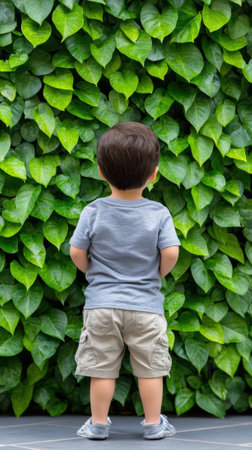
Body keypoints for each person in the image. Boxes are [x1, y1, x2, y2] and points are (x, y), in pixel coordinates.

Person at [69, 121, 181, 440]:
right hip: (146, 306)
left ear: (101, 172)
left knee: (101, 368)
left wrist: (92, 271)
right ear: (154, 174)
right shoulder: (158, 213)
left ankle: (99, 423)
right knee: (150, 368)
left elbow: (77, 251)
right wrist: (155, 274)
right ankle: (153, 423)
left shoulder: (93, 211)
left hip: (101, 305)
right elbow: (171, 252)